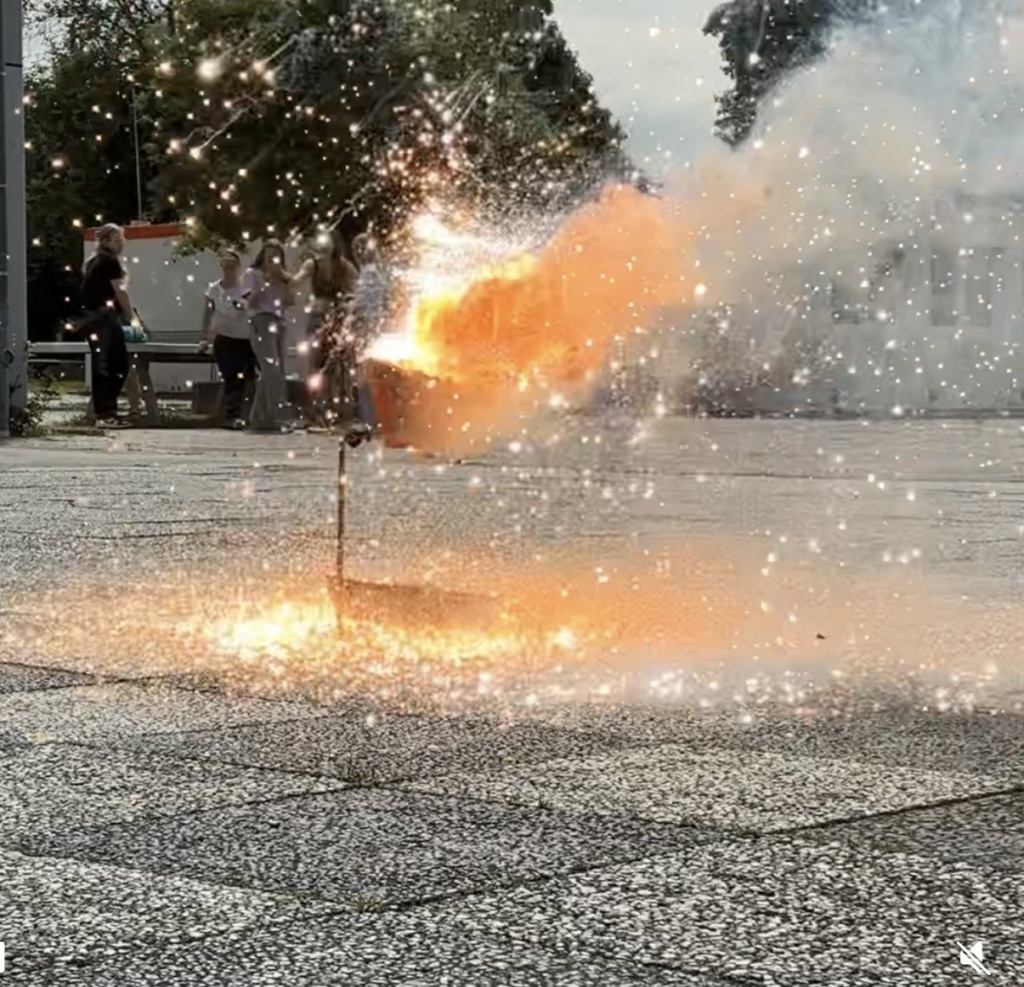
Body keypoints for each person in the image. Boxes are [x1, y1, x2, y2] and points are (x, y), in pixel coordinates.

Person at [293, 231, 359, 427]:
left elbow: (356, 286)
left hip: (334, 317)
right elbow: (298, 279)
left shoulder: (342, 266)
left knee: (335, 365)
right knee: (319, 364)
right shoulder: (314, 264)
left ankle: (335, 411)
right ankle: (317, 411)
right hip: (322, 316)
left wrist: (349, 303)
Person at [78, 223, 137, 428]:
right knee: (113, 364)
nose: (121, 243)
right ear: (105, 242)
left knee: (106, 363)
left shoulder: (95, 261)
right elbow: (120, 292)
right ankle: (105, 413)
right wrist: (132, 319)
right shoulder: (109, 261)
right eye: (116, 239)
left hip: (93, 318)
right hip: (103, 318)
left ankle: (105, 411)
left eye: (122, 239)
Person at [241, 239, 296, 432]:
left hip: (279, 321)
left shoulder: (281, 277)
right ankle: (281, 416)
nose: (273, 259)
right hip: (261, 320)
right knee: (272, 370)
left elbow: (290, 301)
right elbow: (251, 301)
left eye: (277, 255)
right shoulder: (252, 274)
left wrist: (284, 282)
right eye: (270, 254)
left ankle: (259, 419)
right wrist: (266, 282)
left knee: (274, 371)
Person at [199, 249, 256, 429]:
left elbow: (254, 309)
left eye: (232, 267)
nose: (228, 271)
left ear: (237, 268)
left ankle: (247, 413)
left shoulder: (244, 288)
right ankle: (232, 415)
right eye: (225, 267)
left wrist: (244, 306)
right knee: (231, 377)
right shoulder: (213, 289)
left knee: (248, 377)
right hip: (224, 338)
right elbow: (207, 315)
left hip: (245, 338)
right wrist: (205, 338)